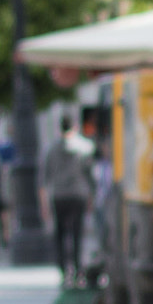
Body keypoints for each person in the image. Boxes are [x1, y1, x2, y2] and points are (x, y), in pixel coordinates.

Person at [41, 114, 95, 283]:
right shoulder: (85, 147)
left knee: (60, 235)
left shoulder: (51, 149)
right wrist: (91, 196)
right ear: (75, 126)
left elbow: (45, 179)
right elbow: (90, 176)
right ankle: (79, 268)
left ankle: (64, 271)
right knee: (77, 234)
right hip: (78, 195)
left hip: (59, 196)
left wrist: (44, 204)